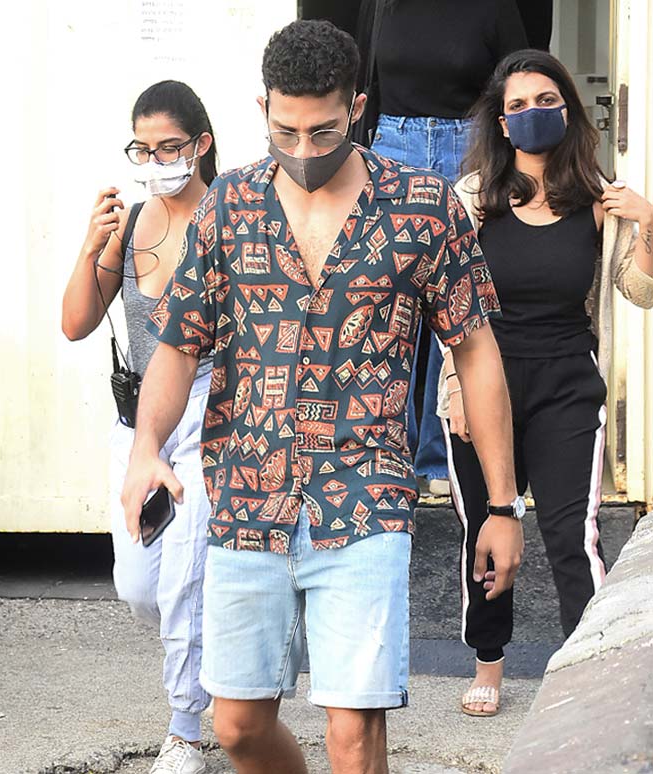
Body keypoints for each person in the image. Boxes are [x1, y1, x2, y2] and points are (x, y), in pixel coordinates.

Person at [121, 21, 524, 774]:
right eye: (286, 131)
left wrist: (500, 507)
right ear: (262, 111)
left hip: (366, 497)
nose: (304, 151)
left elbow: (476, 352)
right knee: (237, 726)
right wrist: (146, 447)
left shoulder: (422, 208)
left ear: (359, 108)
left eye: (324, 132)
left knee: (353, 737)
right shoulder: (229, 206)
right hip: (248, 496)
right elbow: (178, 343)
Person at [439, 49, 653, 717]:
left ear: (568, 109)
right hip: (486, 384)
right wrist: (456, 393)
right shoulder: (473, 198)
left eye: (545, 101)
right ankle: (489, 664)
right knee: (485, 527)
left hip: (566, 383)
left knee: (571, 535)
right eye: (519, 106)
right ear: (502, 124)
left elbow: (639, 291)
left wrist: (648, 221)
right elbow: (446, 305)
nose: (534, 114)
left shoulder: (600, 199)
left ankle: (587, 679)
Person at [62, 80, 218, 774]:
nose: (156, 160)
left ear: (201, 145)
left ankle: (185, 731)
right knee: (141, 585)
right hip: (140, 426)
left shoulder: (228, 219)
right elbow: (76, 323)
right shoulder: (129, 225)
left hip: (214, 411)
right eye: (143, 149)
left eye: (170, 148)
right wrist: (92, 244)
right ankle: (231, 637)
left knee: (186, 576)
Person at [356, 0, 528, 497]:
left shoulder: (493, 8)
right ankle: (388, 449)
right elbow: (366, 79)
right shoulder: (384, 4)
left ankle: (437, 454)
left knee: (456, 304)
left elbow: (517, 78)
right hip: (393, 140)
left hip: (469, 144)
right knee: (387, 302)